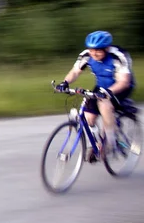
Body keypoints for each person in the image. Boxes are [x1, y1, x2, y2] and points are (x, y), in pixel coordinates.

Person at [56, 30, 136, 161]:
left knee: (104, 105)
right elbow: (75, 72)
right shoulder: (86, 55)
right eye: (92, 50)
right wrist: (65, 82)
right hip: (101, 87)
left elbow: (124, 81)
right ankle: (98, 143)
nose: (94, 53)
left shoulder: (118, 56)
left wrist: (108, 93)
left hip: (120, 87)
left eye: (98, 50)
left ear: (107, 48)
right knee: (88, 117)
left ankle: (109, 142)